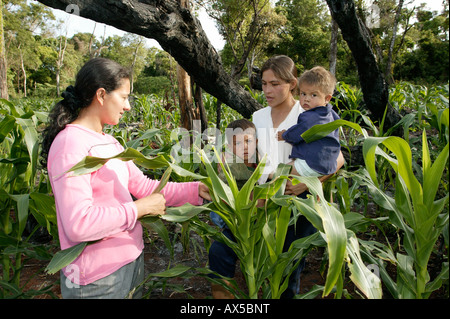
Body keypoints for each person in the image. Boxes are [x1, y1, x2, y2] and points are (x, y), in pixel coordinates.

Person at [40, 58, 210, 299]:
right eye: (124, 96)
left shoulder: (109, 142)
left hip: (130, 261)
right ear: (101, 95)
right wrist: (137, 209)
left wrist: (196, 189)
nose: (128, 106)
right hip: (97, 279)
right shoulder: (71, 144)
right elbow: (79, 224)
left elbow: (144, 186)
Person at [252, 55, 345, 298]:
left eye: (275, 84)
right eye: (264, 83)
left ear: (293, 84)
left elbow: (337, 160)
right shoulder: (258, 116)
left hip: (297, 205)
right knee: (263, 266)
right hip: (265, 202)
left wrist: (305, 184)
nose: (267, 90)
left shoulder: (310, 112)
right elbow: (261, 159)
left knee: (288, 271)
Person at [208, 119, 259, 298]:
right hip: (237, 224)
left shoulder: (265, 164)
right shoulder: (229, 166)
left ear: (257, 142)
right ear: (230, 146)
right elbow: (222, 198)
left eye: (248, 141)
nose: (244, 147)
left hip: (262, 224)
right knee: (218, 252)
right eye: (237, 142)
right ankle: (223, 292)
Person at [277, 66, 340, 178]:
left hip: (311, 164)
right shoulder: (331, 114)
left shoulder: (312, 116)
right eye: (303, 94)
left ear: (327, 98)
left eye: (313, 95)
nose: (306, 99)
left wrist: (284, 135)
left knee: (279, 173)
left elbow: (299, 132)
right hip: (327, 164)